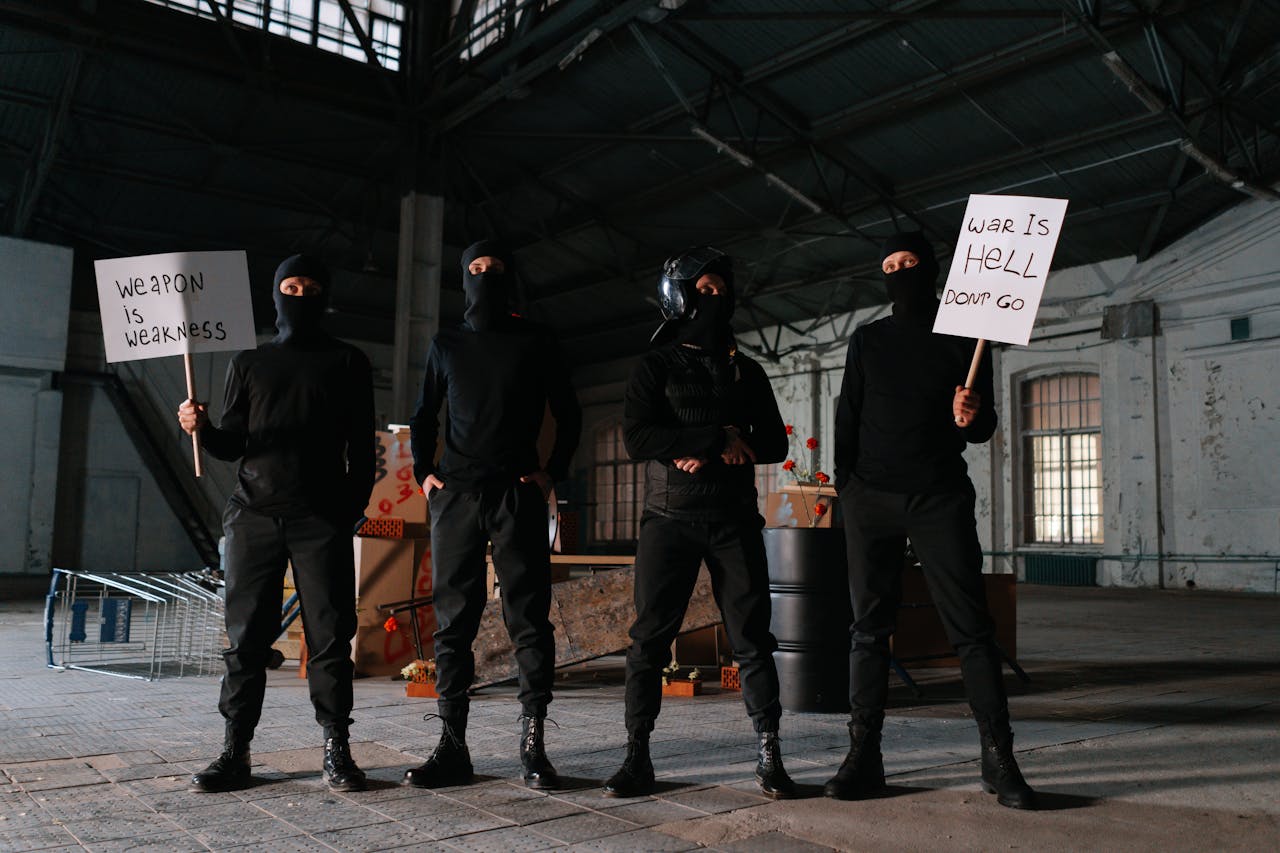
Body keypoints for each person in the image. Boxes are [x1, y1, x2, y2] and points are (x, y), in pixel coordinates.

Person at [826, 231, 1036, 809]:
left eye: (908, 262)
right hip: (871, 499)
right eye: (888, 265)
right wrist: (849, 487)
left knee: (971, 627)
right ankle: (863, 756)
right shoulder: (868, 340)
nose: (897, 272)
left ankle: (999, 759)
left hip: (938, 496)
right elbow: (849, 414)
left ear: (930, 269)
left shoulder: (967, 337)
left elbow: (984, 424)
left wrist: (968, 416)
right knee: (868, 630)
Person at [603, 246, 797, 800]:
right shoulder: (654, 367)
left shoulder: (748, 370)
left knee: (753, 640)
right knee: (648, 642)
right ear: (680, 297)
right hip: (670, 521)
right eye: (704, 290)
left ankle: (769, 753)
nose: (715, 299)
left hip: (734, 521)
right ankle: (637, 755)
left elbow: (777, 443)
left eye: (721, 290)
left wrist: (732, 443)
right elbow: (639, 438)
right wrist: (716, 439)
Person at [177, 254, 375, 793]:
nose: (301, 295)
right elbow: (233, 443)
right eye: (291, 286)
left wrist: (347, 511)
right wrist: (201, 427)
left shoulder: (349, 362)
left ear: (325, 296)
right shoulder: (251, 363)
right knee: (245, 640)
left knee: (331, 636)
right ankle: (234, 752)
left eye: (312, 287)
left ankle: (337, 748)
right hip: (253, 517)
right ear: (275, 295)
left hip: (321, 521)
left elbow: (363, 446)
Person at [404, 239, 581, 790]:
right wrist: (422, 473)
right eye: (475, 270)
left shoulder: (535, 340)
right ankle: (452, 748)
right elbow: (424, 415)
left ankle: (534, 747)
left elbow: (569, 411)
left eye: (495, 270)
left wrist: (552, 471)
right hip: (455, 497)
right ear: (464, 280)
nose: (484, 277)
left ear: (509, 282)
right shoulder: (446, 343)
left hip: (516, 495)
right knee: (454, 625)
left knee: (528, 620)